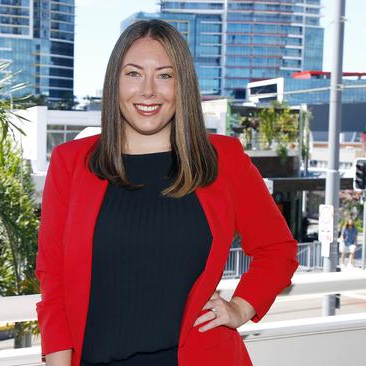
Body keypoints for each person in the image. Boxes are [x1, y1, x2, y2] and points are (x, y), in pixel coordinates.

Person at [35, 19, 299, 366]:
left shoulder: (223, 160)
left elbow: (277, 250)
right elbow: (53, 280)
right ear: (114, 82)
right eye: (133, 74)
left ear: (182, 85)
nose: (148, 91)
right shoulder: (71, 163)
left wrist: (240, 307)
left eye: (164, 75)